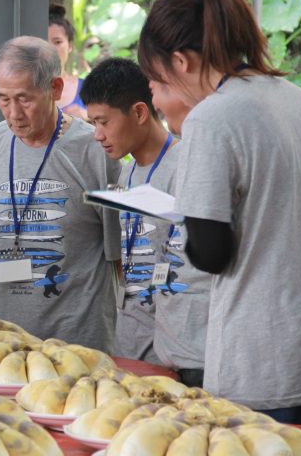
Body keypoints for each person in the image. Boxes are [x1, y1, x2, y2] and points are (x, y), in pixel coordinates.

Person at [138, 0, 301, 427]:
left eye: (159, 78)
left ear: (181, 61)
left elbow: (213, 253)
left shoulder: (213, 118)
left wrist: (187, 221)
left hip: (262, 357)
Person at [0, 36, 121, 351]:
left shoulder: (96, 151)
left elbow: (118, 256)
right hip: (7, 343)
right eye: (3, 99)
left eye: (24, 98)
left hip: (80, 343)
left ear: (55, 89)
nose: (13, 113)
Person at [81, 57, 210, 386]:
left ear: (139, 112)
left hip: (186, 356)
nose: (97, 135)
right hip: (136, 349)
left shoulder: (186, 167)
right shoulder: (127, 172)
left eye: (103, 122)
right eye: (92, 123)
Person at [48, 4, 86, 120]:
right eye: (43, 42)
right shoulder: (26, 89)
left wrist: (88, 117)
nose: (50, 49)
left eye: (57, 42)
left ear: (70, 46)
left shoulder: (88, 88)